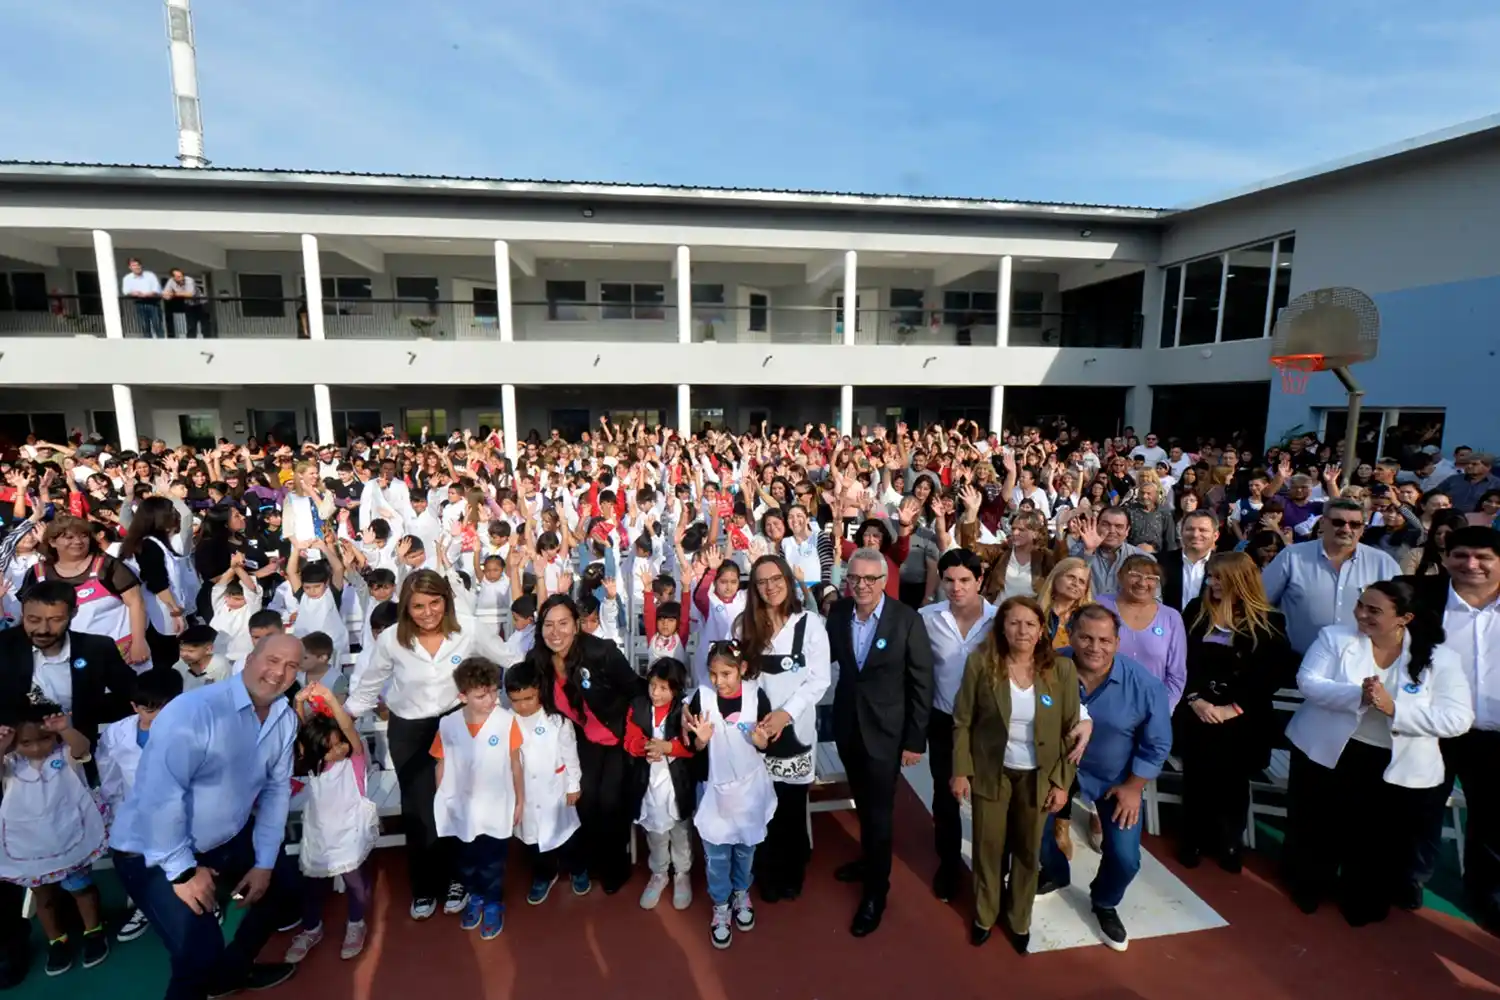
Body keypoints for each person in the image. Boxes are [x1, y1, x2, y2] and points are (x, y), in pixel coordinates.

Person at [109, 633, 305, 999]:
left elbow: (277, 789)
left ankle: (230, 974)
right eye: (272, 660)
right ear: (249, 659)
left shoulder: (282, 716)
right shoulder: (194, 711)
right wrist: (183, 870)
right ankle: (212, 975)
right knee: (197, 955)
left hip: (225, 840)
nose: (279, 673)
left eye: (292, 665)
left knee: (282, 889)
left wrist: (263, 863)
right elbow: (160, 795)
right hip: (152, 849)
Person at [1282, 580, 1472, 924]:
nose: (1361, 615)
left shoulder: (1441, 659)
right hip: (1329, 751)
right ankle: (1309, 885)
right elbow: (1309, 682)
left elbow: (1457, 718)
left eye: (1374, 610)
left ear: (1404, 618)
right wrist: (1359, 696)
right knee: (1318, 825)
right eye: (1360, 605)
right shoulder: (1335, 638)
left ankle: (1362, 898)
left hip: (1395, 762)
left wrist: (1394, 708)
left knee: (1377, 838)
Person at [343, 569, 515, 921]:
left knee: (458, 803)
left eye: (434, 602)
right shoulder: (391, 639)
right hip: (409, 730)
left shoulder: (467, 629)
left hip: (457, 726)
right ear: (406, 607)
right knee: (420, 809)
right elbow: (368, 687)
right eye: (418, 605)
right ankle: (424, 885)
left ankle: (457, 879)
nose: (427, 612)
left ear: (446, 601)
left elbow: (508, 658)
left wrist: (529, 694)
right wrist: (339, 717)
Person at [1038, 604, 1173, 952]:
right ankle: (1054, 871)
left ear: (1117, 641)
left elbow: (1158, 744)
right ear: (1072, 634)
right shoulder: (1049, 666)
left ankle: (1105, 901)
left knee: (1126, 858)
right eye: (1085, 637)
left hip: (1116, 778)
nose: (1094, 647)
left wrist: (1134, 787)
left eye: (1104, 640)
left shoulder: (1145, 685)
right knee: (1031, 827)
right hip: (1058, 771)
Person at [951, 596, 1081, 954]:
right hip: (992, 771)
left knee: (1027, 849)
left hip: (1038, 775)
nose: (1021, 630)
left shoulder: (1062, 671)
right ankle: (984, 914)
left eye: (1030, 624)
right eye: (1013, 623)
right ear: (1002, 627)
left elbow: (1072, 730)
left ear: (1042, 631)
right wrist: (961, 770)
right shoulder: (981, 663)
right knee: (988, 846)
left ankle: (1018, 917)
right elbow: (962, 721)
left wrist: (1061, 782)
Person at [827, 547, 934, 936]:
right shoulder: (838, 614)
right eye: (854, 578)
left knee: (878, 812)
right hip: (847, 727)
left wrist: (914, 740)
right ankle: (868, 860)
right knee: (861, 800)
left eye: (871, 579)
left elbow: (922, 683)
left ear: (883, 581)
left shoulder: (906, 620)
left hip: (887, 735)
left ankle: (876, 890)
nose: (862, 586)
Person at [1403, 526, 1500, 929]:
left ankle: (1487, 891)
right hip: (1434, 729)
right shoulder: (1421, 599)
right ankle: (1409, 878)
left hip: (1495, 736)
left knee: (1494, 818)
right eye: (1461, 555)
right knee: (1419, 809)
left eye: (1484, 557)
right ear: (1445, 558)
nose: (1471, 564)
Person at [1176, 552, 1291, 871]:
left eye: (1219, 577)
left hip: (1244, 717)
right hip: (1197, 711)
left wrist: (1233, 708)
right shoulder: (1196, 612)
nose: (1212, 583)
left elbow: (1270, 674)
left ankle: (1228, 840)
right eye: (1210, 576)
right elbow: (1182, 662)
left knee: (1234, 782)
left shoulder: (1269, 621)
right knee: (1196, 777)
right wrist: (1196, 699)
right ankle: (1193, 838)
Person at [527, 594, 644, 895]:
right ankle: (591, 862)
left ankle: (615, 868)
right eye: (548, 625)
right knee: (585, 800)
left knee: (610, 802)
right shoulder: (537, 662)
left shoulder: (601, 652)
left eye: (563, 623)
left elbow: (635, 690)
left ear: (577, 625)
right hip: (582, 739)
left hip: (617, 735)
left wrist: (635, 732)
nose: (556, 632)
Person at [737, 554, 831, 903]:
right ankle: (765, 871)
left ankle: (792, 871)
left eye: (776, 579)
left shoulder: (810, 624)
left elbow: (819, 680)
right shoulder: (744, 627)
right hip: (756, 732)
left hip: (795, 730)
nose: (770, 587)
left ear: (789, 580)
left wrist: (785, 714)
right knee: (760, 805)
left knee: (790, 807)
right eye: (762, 582)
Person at [0, 699, 111, 977]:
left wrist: (65, 729)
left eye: (44, 738)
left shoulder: (66, 753)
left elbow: (83, 748)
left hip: (69, 839)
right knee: (43, 896)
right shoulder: (10, 763)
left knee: (81, 888)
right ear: (15, 742)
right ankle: (56, 940)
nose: (37, 747)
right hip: (30, 846)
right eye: (27, 742)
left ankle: (94, 932)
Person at [682, 641, 777, 950]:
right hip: (714, 792)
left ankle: (741, 892)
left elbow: (766, 743)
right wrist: (700, 742)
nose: (718, 681)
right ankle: (721, 905)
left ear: (742, 670)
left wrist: (762, 742)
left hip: (749, 792)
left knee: (745, 851)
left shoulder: (756, 695)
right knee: (717, 855)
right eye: (713, 674)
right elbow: (693, 748)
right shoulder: (702, 697)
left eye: (726, 673)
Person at [919, 548, 998, 901]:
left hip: (988, 725)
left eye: (965, 580)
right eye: (949, 580)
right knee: (945, 795)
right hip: (943, 721)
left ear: (980, 580)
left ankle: (988, 866)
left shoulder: (1001, 621)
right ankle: (949, 864)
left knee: (988, 796)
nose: (956, 587)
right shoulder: (926, 618)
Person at [430, 657, 524, 941]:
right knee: (466, 859)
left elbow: (515, 763)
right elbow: (440, 763)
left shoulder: (506, 721)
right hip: (460, 807)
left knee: (493, 859)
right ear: (463, 696)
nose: (491, 699)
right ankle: (475, 896)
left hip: (497, 805)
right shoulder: (448, 725)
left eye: (494, 692)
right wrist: (443, 799)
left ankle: (494, 902)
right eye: (481, 695)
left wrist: (519, 800)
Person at [285, 682, 378, 962]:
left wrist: (328, 698)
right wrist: (298, 703)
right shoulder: (315, 765)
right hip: (319, 833)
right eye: (330, 748)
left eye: (340, 744)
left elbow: (347, 728)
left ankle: (355, 924)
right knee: (313, 886)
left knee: (355, 884)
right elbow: (302, 732)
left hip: (350, 830)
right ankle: (312, 928)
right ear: (314, 752)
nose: (339, 750)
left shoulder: (355, 761)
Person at [0, 580, 137, 748]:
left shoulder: (97, 649)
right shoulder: (4, 646)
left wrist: (79, 715)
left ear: (73, 613)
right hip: (13, 755)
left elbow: (131, 696)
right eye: (33, 619)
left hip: (79, 750)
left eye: (55, 619)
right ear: (22, 613)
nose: (43, 629)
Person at [1262, 498, 1401, 654]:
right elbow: (1260, 601)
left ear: (1363, 529)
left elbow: (1401, 614)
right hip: (1297, 661)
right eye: (1338, 522)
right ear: (1322, 523)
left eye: (1355, 525)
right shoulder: (1292, 557)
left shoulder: (1383, 563)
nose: (1346, 529)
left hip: (1361, 666)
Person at [505, 660, 585, 907]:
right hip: (525, 795)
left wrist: (573, 786)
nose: (522, 706)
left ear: (539, 690)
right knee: (534, 842)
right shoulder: (505, 721)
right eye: (515, 700)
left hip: (556, 791)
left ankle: (577, 869)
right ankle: (544, 875)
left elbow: (570, 756)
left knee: (567, 837)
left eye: (528, 698)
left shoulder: (557, 722)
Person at [21, 514, 149, 667]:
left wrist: (139, 642)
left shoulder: (107, 566)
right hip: (67, 659)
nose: (78, 542)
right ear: (52, 542)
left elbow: (136, 602)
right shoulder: (37, 573)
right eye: (69, 537)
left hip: (122, 653)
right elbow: (28, 615)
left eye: (84, 536)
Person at [624, 657, 695, 911]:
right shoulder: (638, 706)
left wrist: (666, 747)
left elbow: (691, 747)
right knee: (655, 833)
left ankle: (682, 873)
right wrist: (644, 747)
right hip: (648, 784)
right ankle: (660, 872)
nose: (655, 692)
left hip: (676, 784)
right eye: (653, 685)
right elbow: (629, 739)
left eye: (663, 688)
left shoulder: (683, 710)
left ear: (675, 689)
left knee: (680, 832)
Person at [1097, 555, 1187, 711]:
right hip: (1101, 705)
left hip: (1152, 709)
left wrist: (1160, 710)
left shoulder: (1171, 617)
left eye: (1151, 578)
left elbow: (1177, 674)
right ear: (1120, 576)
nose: (1142, 583)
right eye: (1135, 575)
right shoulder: (1099, 605)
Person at [1074, 508, 1147, 597]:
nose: (1112, 531)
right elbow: (1071, 582)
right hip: (1087, 609)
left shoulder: (1144, 558)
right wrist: (1088, 551)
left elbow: (1155, 600)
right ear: (1097, 526)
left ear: (1127, 530)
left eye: (1118, 526)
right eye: (1105, 525)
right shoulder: (1078, 550)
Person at [1158, 510, 1218, 612]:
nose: (1195, 534)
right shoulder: (1160, 562)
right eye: (1190, 529)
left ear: (1215, 536)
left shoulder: (1223, 566)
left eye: (1203, 530)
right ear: (1181, 532)